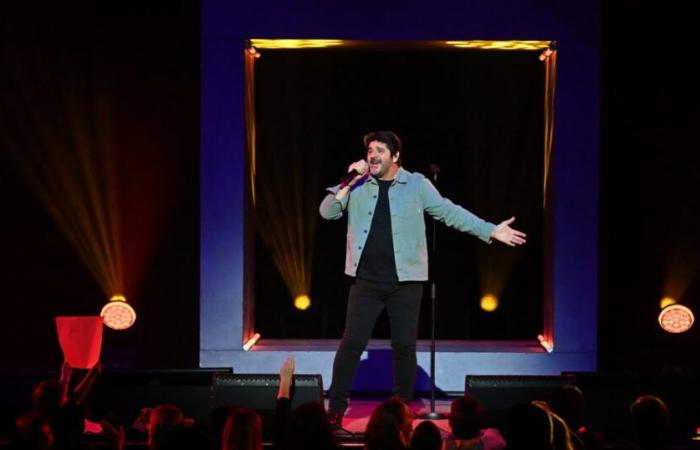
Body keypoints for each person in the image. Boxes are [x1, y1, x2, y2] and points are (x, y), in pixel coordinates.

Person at [319, 131, 526, 422]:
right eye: (369, 150)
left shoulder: (416, 184)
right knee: (352, 344)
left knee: (404, 346)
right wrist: (350, 180)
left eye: (380, 150)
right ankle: (335, 411)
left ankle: (400, 411)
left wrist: (490, 229)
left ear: (395, 156)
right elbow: (327, 212)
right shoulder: (358, 185)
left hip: (406, 281)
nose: (372, 155)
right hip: (365, 280)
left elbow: (449, 212)